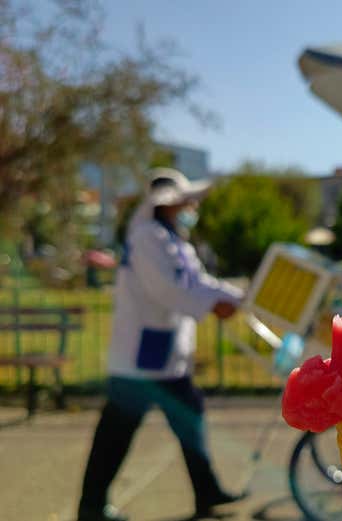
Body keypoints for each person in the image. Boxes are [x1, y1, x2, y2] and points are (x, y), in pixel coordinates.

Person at [78, 169, 247, 521]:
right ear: (168, 204)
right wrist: (214, 305)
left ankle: (206, 491)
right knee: (117, 433)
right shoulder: (147, 237)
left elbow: (198, 281)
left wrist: (237, 296)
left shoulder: (175, 241)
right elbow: (168, 289)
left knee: (189, 419)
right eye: (184, 202)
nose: (190, 207)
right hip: (139, 362)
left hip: (165, 359)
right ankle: (92, 506)